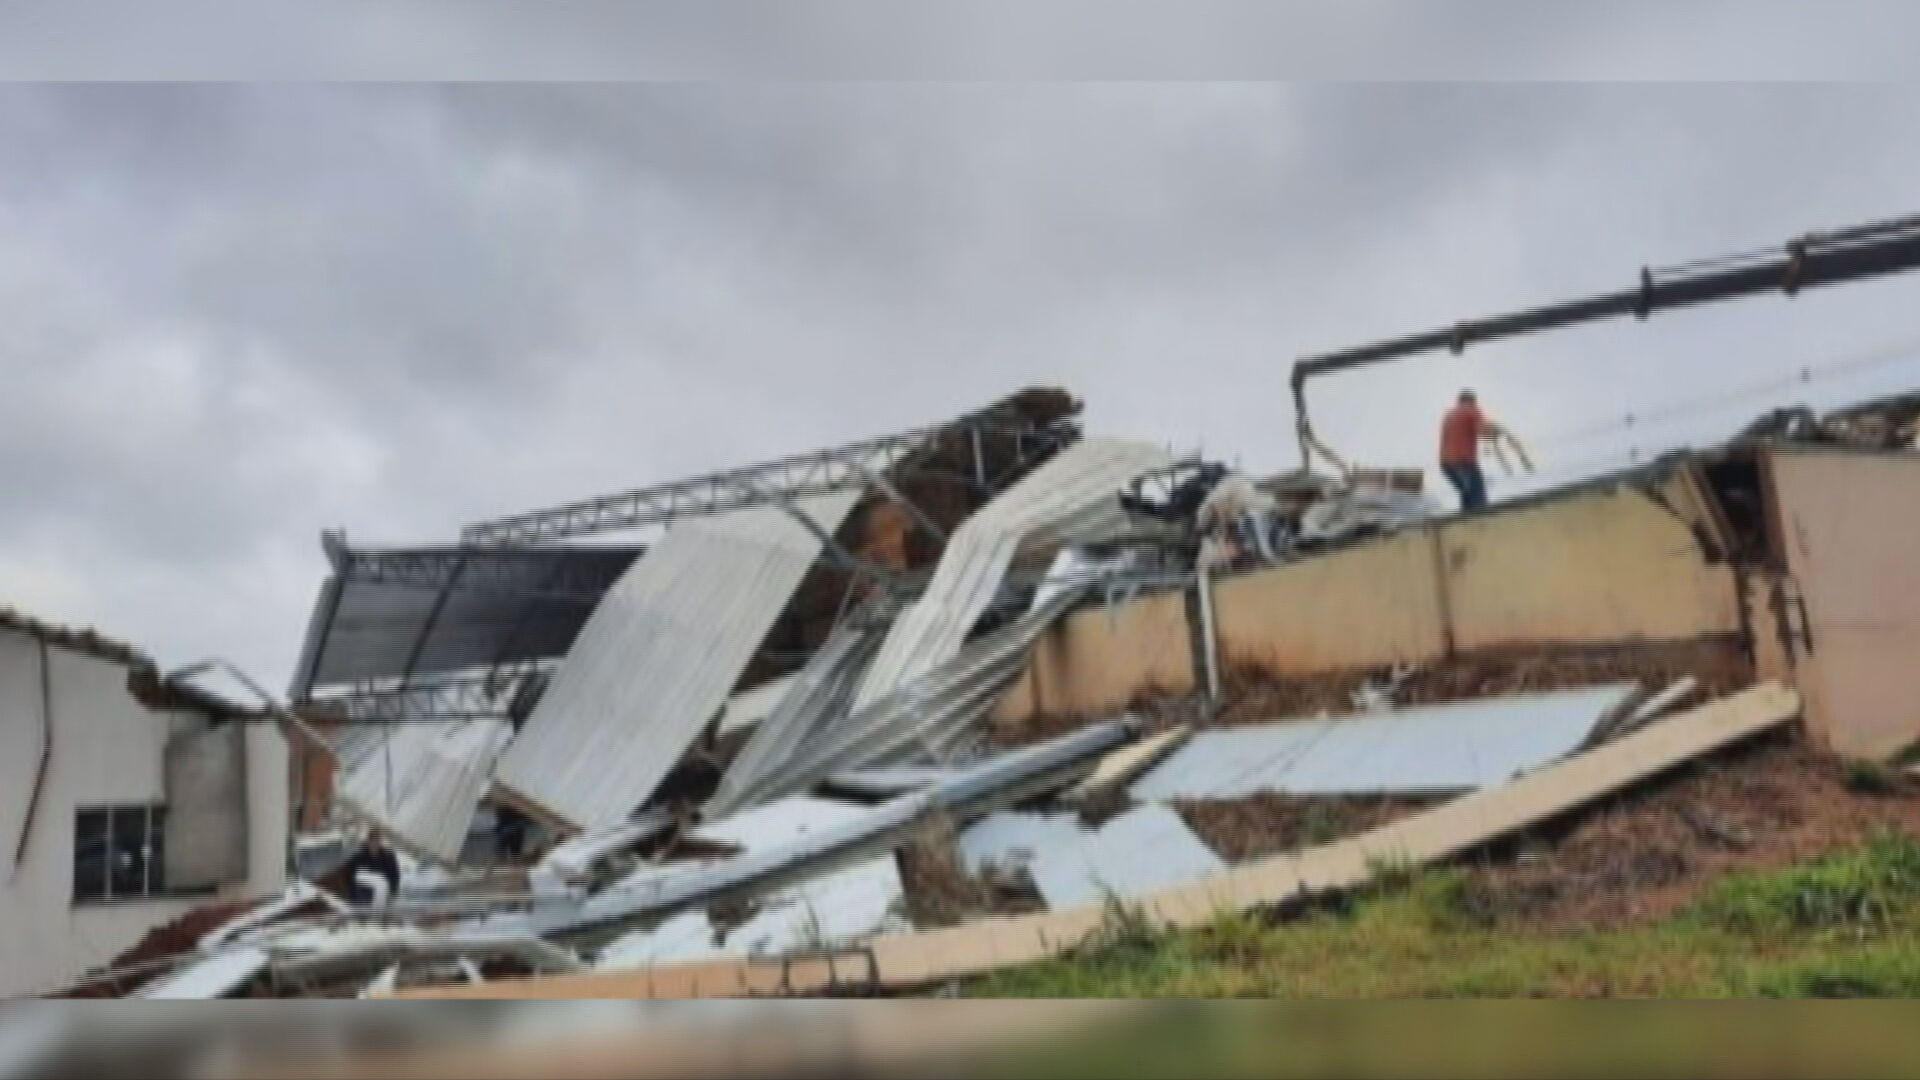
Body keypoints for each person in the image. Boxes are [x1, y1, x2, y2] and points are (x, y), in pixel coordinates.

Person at [1439, 389, 1498, 512]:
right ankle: (1479, 524)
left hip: (1446, 464)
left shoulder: (1449, 415)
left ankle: (1465, 521)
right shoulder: (1472, 410)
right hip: (1464, 461)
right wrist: (1493, 430)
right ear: (1472, 400)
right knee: (1477, 497)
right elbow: (1483, 432)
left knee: (1467, 494)